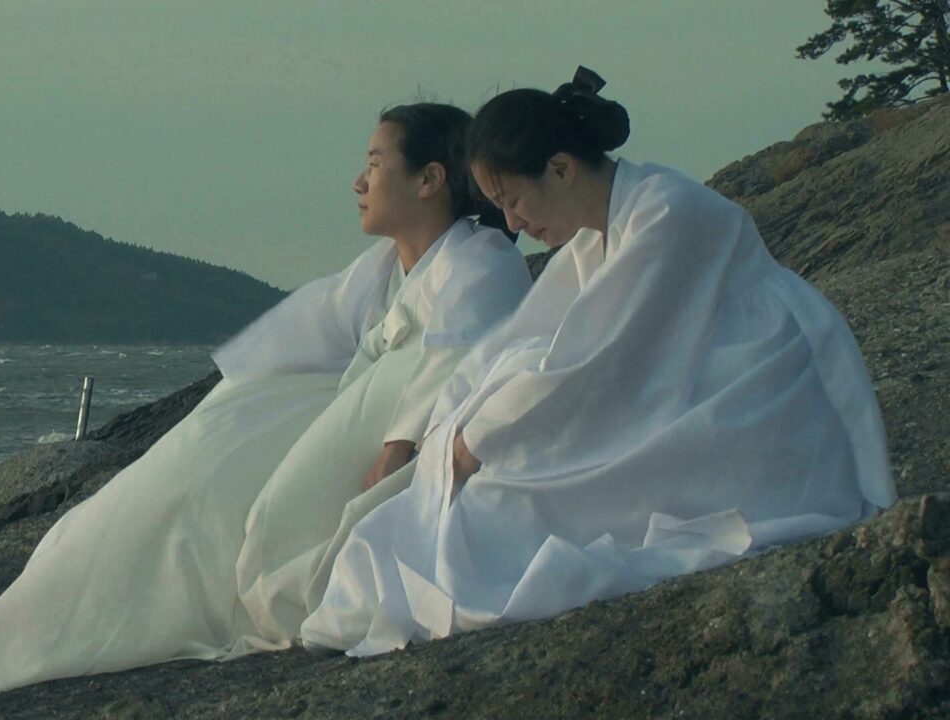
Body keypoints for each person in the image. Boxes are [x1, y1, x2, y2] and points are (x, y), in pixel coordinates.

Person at [0, 102, 531, 711]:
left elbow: (457, 360)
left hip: (412, 428)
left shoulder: (482, 261)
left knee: (269, 536)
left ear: (429, 179)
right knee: (186, 475)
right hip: (366, 407)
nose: (358, 182)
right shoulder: (380, 272)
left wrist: (398, 447)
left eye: (374, 163)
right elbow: (308, 334)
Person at [301, 68, 897, 657]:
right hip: (675, 378)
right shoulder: (594, 235)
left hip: (751, 389)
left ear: (561, 169)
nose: (513, 223)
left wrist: (479, 439)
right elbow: (520, 341)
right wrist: (456, 423)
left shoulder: (667, 212)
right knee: (485, 486)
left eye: (513, 200)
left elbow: (600, 363)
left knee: (509, 505)